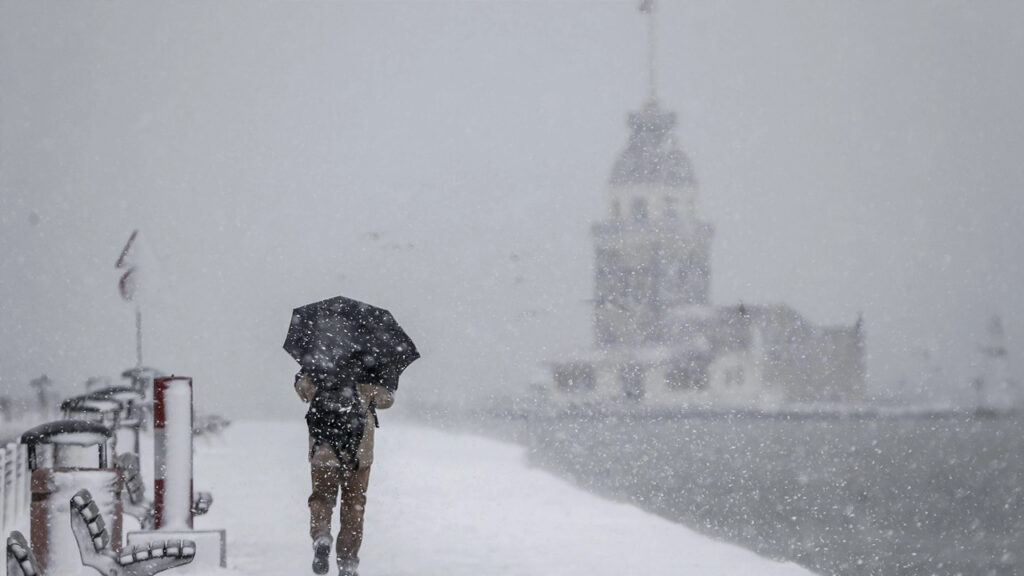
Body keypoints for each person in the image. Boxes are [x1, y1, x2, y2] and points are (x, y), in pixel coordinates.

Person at [295, 368, 395, 576]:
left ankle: (321, 535)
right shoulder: (369, 366)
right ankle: (348, 560)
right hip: (358, 453)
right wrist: (386, 380)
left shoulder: (319, 361)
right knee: (353, 504)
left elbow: (303, 391)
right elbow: (386, 400)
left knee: (321, 498)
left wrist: (304, 374)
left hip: (323, 450)